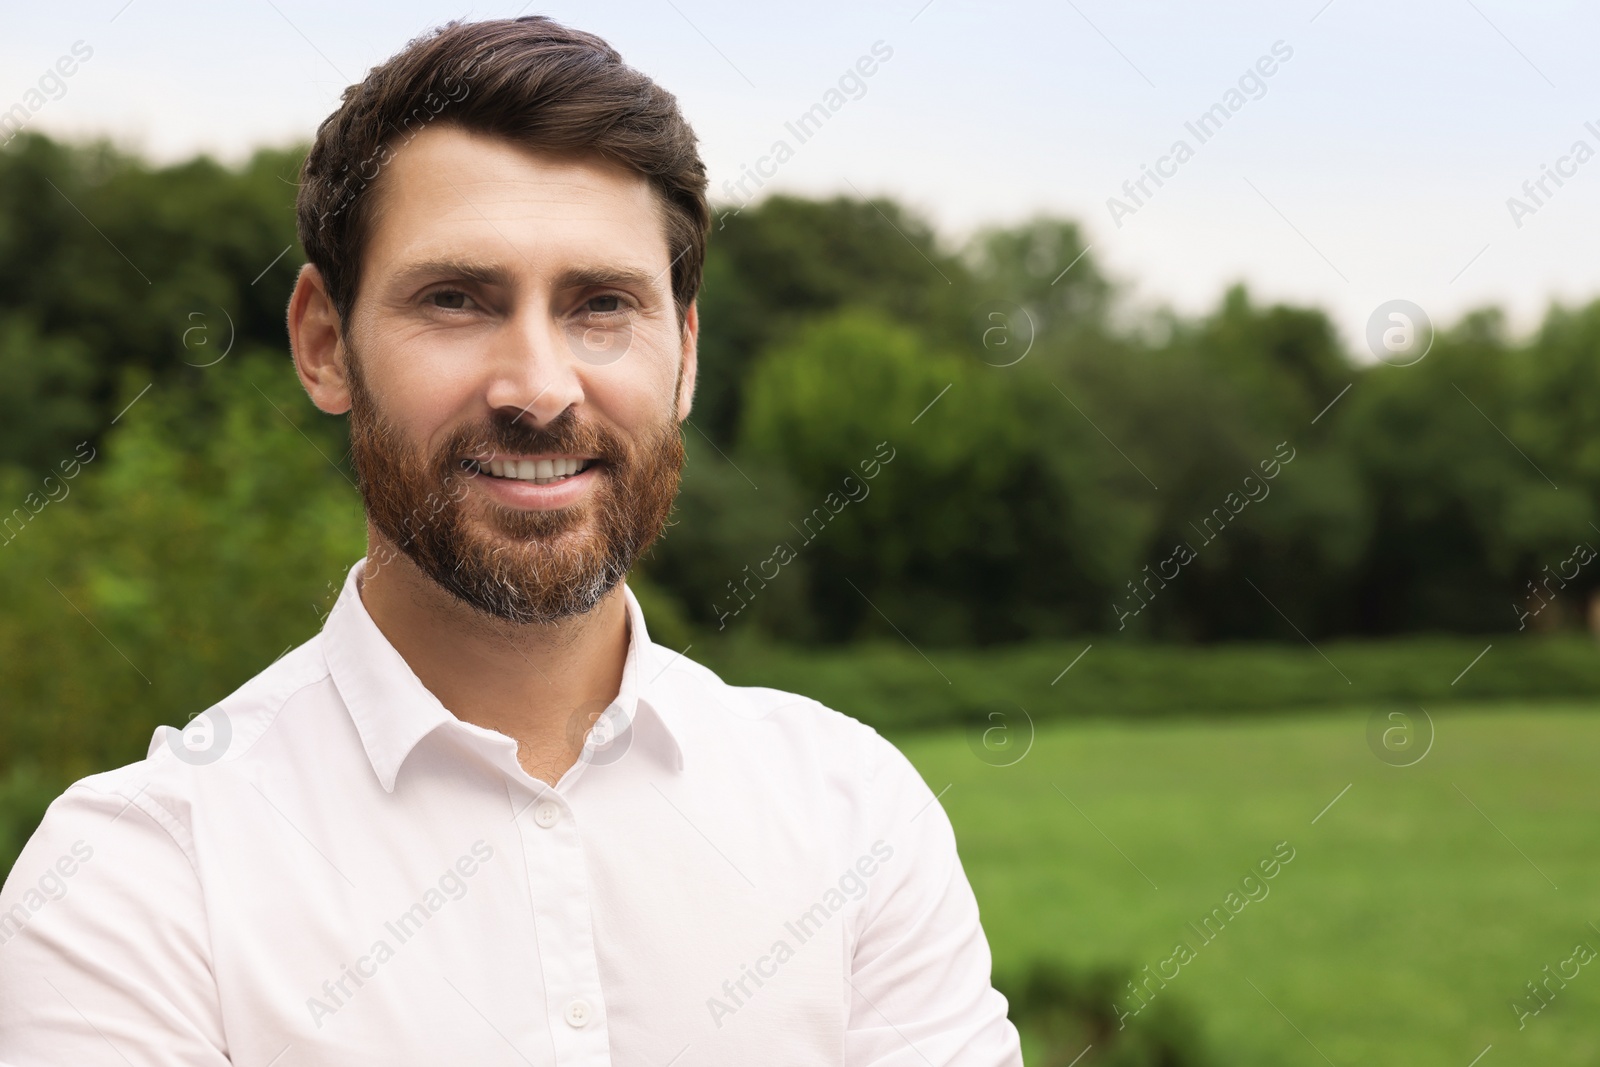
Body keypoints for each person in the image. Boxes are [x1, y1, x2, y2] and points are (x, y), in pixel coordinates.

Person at [0, 16, 1021, 1065]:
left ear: (684, 354)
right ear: (321, 342)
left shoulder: (855, 817)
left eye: (602, 305)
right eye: (455, 299)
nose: (537, 387)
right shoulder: (134, 887)